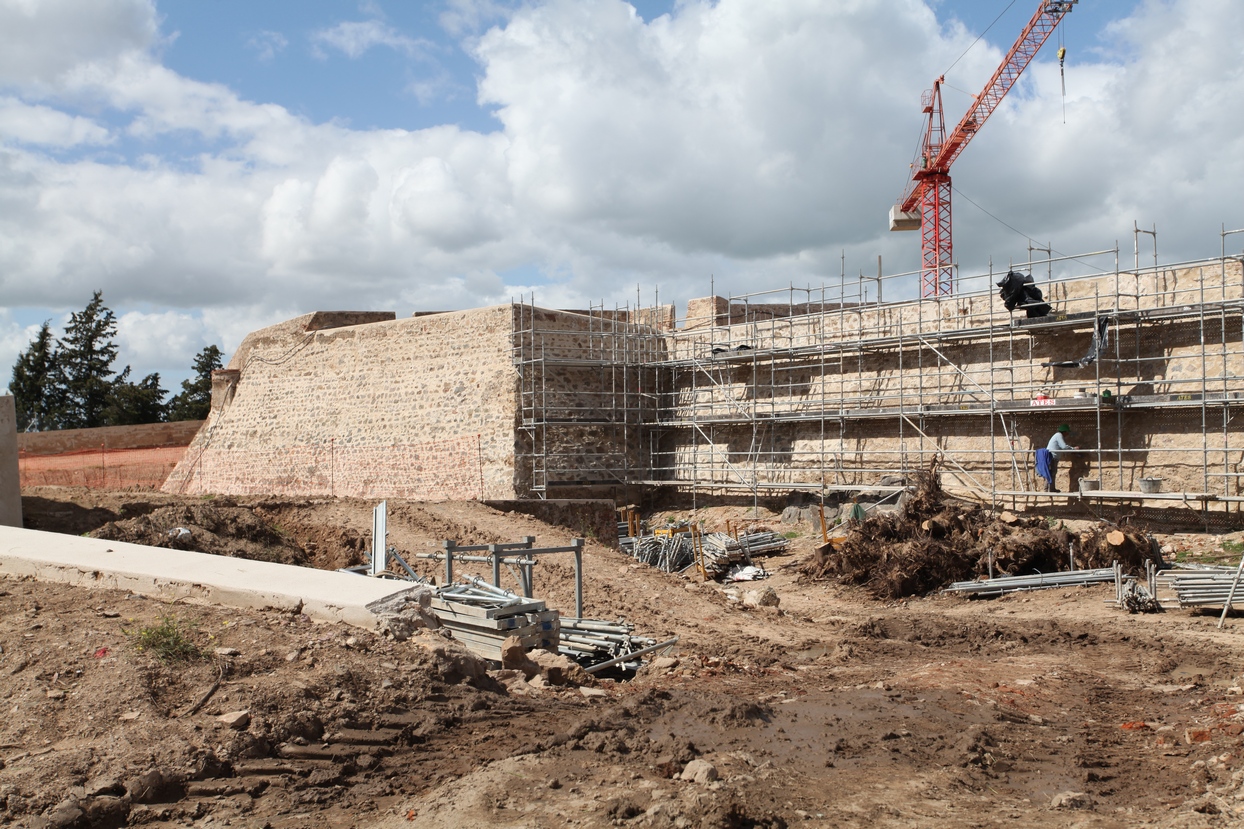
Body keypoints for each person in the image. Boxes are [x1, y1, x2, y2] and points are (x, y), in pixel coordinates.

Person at [1035, 424, 1077, 492]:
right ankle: (1050, 489)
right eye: (1067, 432)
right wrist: (1073, 449)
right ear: (1065, 431)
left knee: (1051, 472)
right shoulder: (1059, 435)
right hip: (1052, 457)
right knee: (1052, 473)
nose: (1068, 434)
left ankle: (1048, 489)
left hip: (1052, 456)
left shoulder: (1057, 435)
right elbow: (1063, 447)